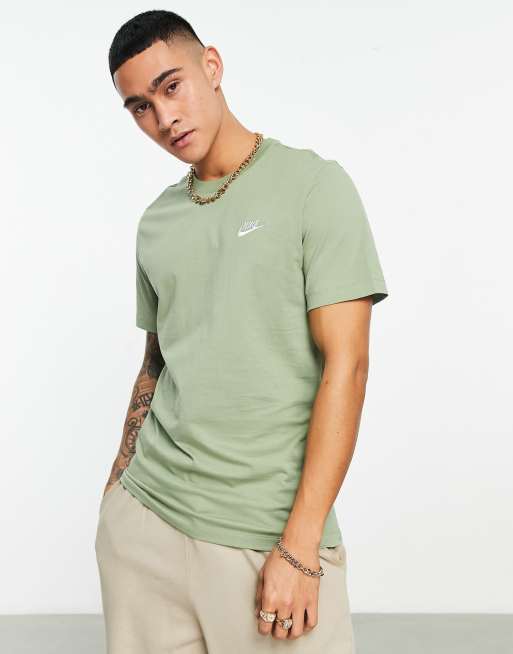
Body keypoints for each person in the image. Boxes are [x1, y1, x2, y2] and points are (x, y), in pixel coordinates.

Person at [95, 9, 389, 654]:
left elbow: (348, 366)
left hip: (268, 539)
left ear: (212, 66)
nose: (164, 117)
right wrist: (117, 491)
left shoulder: (314, 187)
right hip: (146, 527)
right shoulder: (157, 223)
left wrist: (301, 547)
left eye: (171, 87)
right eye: (140, 107)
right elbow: (157, 362)